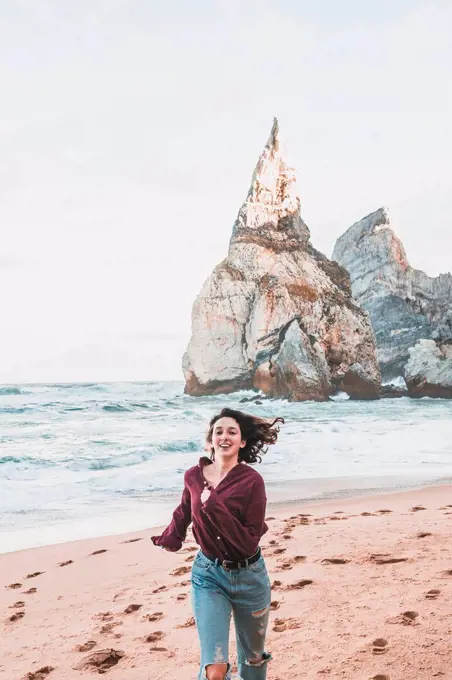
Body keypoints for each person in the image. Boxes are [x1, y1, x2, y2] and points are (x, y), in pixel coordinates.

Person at [151, 407, 284, 680]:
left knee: (254, 660)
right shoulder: (193, 476)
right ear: (210, 441)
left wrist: (215, 506)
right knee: (215, 668)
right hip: (209, 576)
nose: (225, 436)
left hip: (250, 578)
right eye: (218, 431)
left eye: (232, 432)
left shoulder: (252, 482)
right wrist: (172, 537)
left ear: (242, 442)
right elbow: (184, 510)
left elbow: (249, 541)